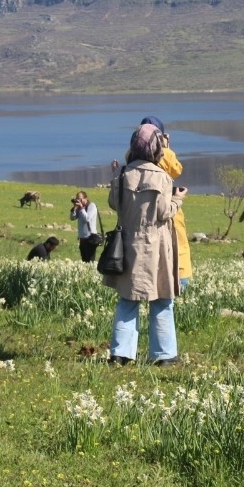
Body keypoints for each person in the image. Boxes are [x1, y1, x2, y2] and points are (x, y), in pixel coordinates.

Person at [104, 123, 186, 367]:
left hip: (127, 244)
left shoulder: (122, 174)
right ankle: (164, 355)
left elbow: (113, 204)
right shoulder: (162, 177)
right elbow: (163, 212)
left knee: (127, 299)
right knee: (161, 299)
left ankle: (120, 354)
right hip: (155, 246)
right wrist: (177, 200)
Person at [141, 116, 192, 291]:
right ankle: (181, 282)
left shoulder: (132, 155)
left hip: (142, 205)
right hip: (167, 203)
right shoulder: (163, 153)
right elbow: (176, 170)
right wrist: (167, 148)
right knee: (178, 241)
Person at [69, 190, 99, 262]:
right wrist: (74, 208)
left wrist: (82, 208)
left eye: (80, 198)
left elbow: (87, 219)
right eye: (77, 198)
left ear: (86, 198)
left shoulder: (92, 206)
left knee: (90, 261)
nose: (78, 200)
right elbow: (72, 218)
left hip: (90, 237)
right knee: (84, 260)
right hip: (82, 238)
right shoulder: (79, 208)